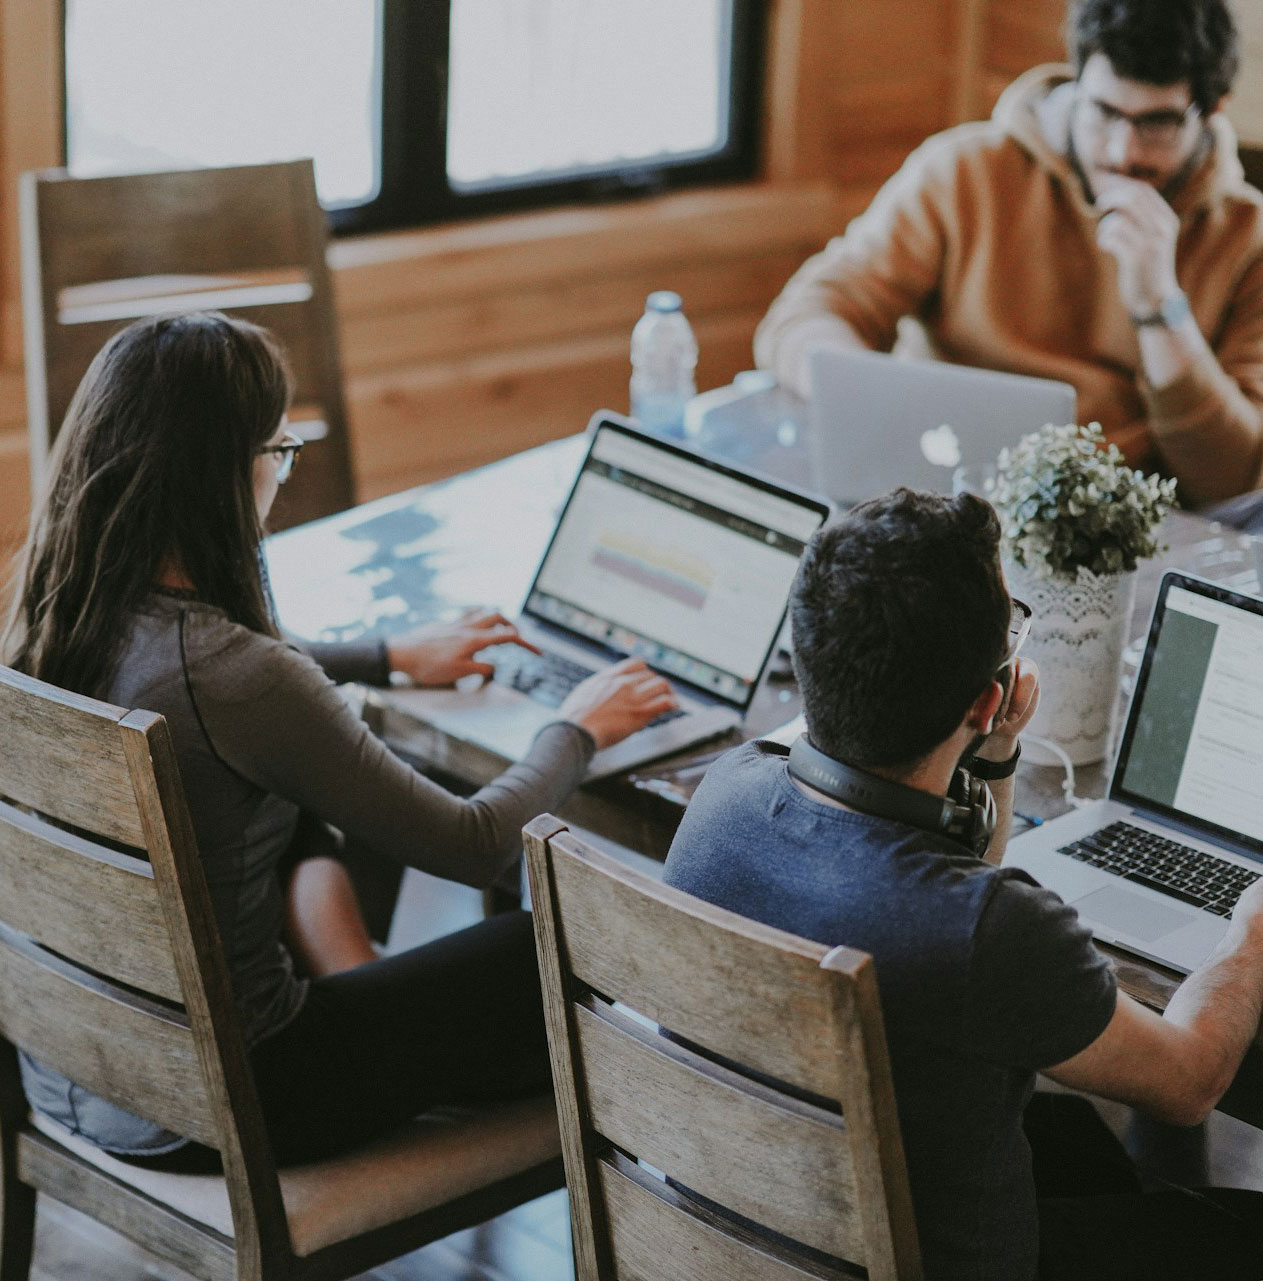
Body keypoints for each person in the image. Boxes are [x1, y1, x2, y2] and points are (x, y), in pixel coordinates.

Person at [3, 310, 676, 1168]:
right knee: (535, 945)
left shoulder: (48, 619)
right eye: (279, 453)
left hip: (76, 1072)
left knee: (294, 806)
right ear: (225, 473)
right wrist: (576, 725)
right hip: (240, 1098)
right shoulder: (235, 676)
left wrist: (386, 656)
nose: (282, 475)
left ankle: (360, 980)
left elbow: (225, 680)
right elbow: (470, 844)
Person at [664, 489, 1263, 1281]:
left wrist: (992, 756)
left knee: (1077, 1141)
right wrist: (1250, 927)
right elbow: (1188, 1081)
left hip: (745, 1235)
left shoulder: (723, 792)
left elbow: (939, 912)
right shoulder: (988, 929)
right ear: (985, 697)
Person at [754, 0, 1263, 516]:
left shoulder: (1249, 239)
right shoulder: (964, 172)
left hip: (1117, 531)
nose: (1120, 151)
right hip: (939, 496)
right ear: (1077, 81)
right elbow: (805, 316)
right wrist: (869, 402)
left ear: (1212, 110)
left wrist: (1160, 305)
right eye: (1104, 112)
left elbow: (1230, 477)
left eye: (1157, 124)